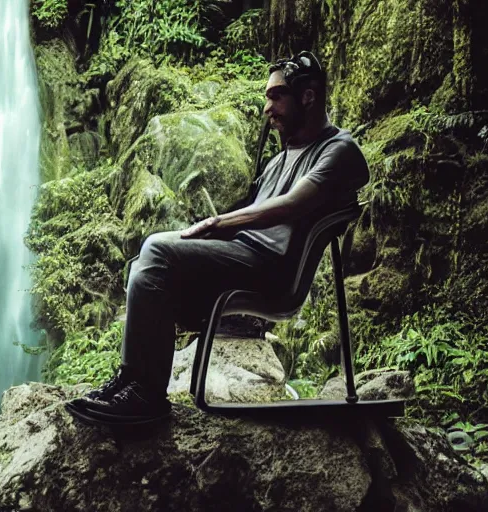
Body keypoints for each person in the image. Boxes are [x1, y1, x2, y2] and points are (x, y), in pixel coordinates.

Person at [67, 51, 370, 423]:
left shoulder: (340, 152)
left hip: (272, 272)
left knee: (158, 249)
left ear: (307, 96)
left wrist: (218, 225)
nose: (266, 108)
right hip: (242, 257)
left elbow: (293, 205)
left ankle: (145, 396)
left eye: (275, 96)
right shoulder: (279, 160)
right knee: (144, 262)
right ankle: (131, 382)